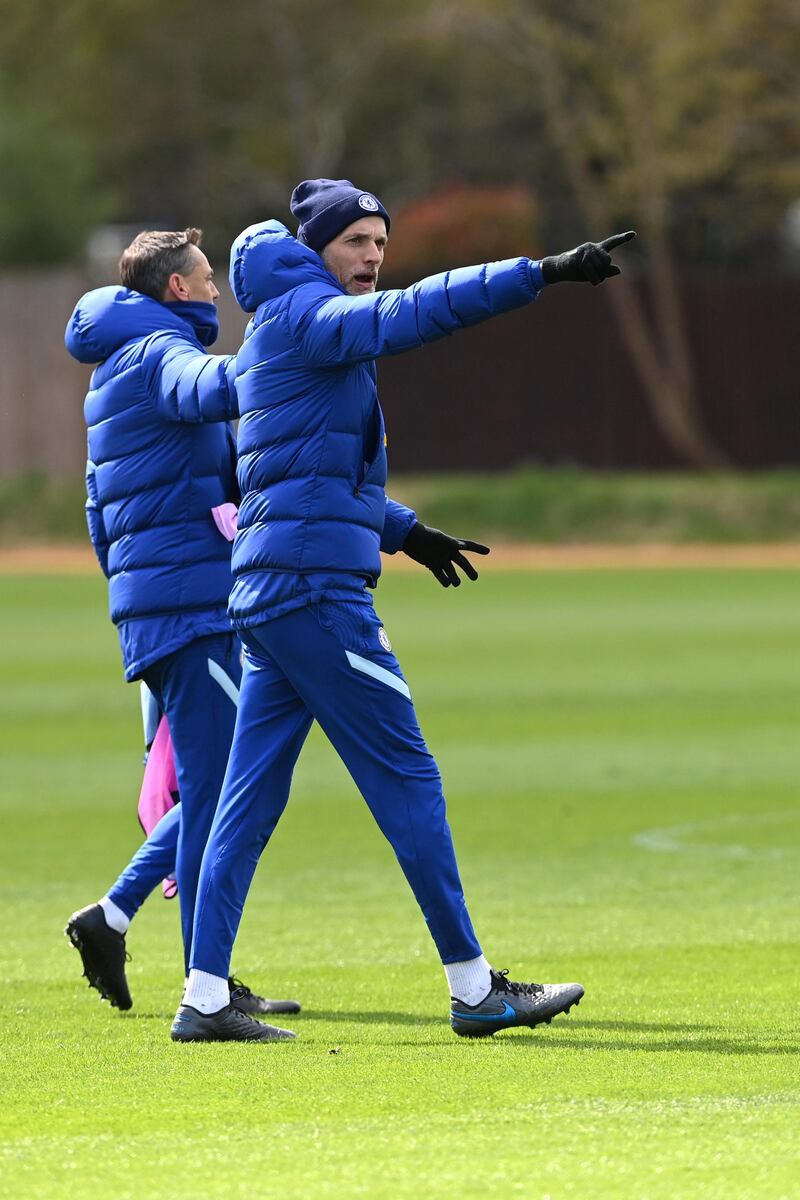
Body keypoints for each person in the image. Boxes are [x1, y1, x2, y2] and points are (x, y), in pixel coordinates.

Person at [172, 180, 635, 1043]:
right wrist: (538, 273)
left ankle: (203, 997)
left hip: (271, 593)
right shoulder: (312, 315)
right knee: (407, 777)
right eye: (354, 241)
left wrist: (403, 530)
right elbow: (416, 312)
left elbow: (292, 475)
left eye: (380, 242)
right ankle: (474, 988)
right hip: (314, 593)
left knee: (248, 797)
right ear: (315, 251)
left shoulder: (275, 326)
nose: (374, 257)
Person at [64, 229, 298, 1033]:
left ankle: (141, 932)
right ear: (175, 290)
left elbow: (100, 516)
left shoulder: (115, 368)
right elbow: (211, 386)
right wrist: (283, 362)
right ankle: (199, 986)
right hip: (190, 610)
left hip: (166, 607)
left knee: (214, 789)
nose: (217, 292)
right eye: (206, 280)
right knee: (224, 791)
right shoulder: (156, 356)